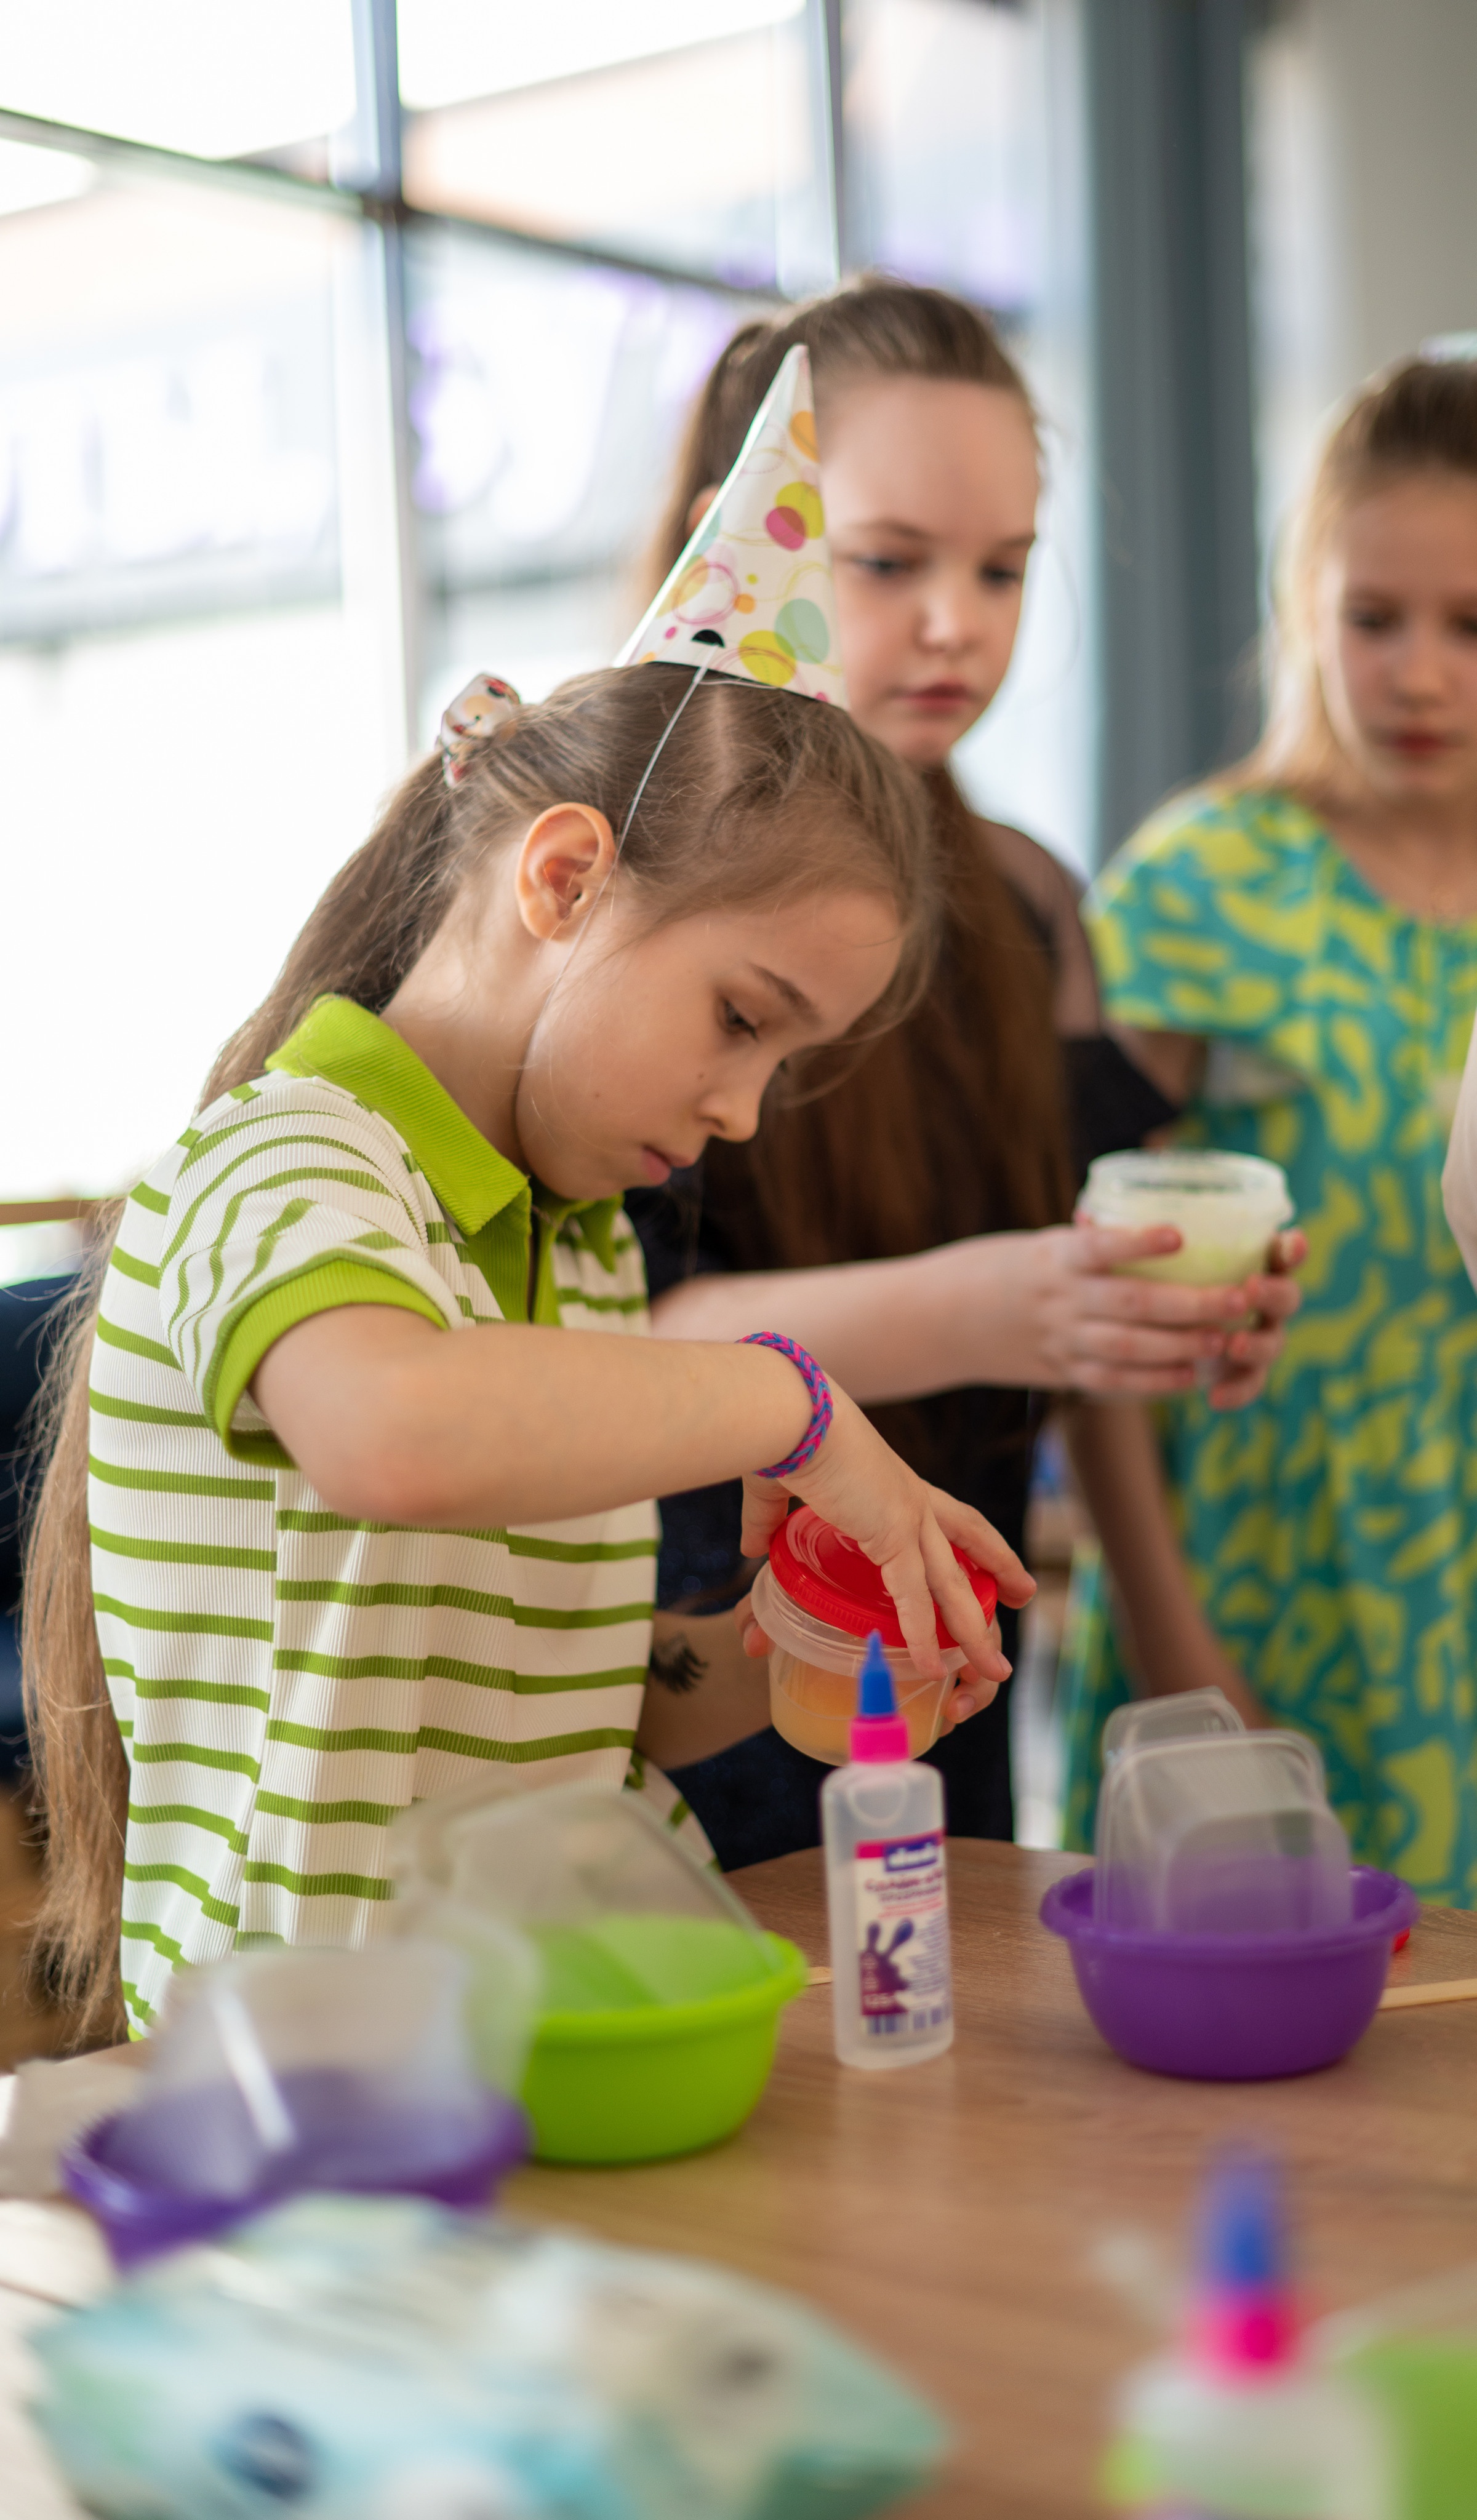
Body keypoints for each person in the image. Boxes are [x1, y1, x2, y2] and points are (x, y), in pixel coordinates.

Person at [23, 607, 1039, 2040]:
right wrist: (791, 1406)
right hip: (318, 2085)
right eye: (743, 1019)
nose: (742, 1112)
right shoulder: (279, 1166)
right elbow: (394, 1429)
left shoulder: (584, 1252)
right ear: (563, 878)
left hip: (552, 2039)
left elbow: (590, 1716)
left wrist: (799, 1641)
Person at [625, 279, 1302, 1865]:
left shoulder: (1029, 900)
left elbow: (1063, 1333)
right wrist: (1009, 1297)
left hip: (951, 1660)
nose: (958, 622)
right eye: (889, 563)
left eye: (1003, 569)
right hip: (704, 1664)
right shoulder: (649, 906)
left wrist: (1138, 1313)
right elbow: (621, 1342)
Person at [1064, 356, 1477, 1906]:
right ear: (1305, 603)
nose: (1421, 674)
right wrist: (1179, 1649)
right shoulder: (1203, 885)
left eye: (1472, 625)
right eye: (1375, 618)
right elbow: (1084, 1304)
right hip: (1257, 1573)